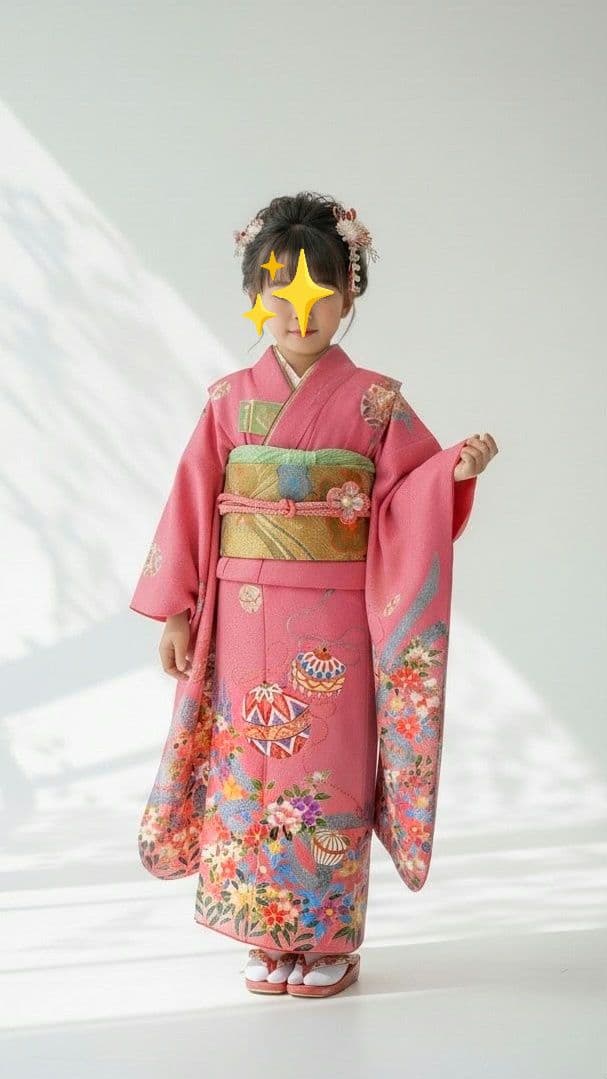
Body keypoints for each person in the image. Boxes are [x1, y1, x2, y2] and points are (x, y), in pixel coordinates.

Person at [129, 191, 498, 999]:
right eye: (280, 290)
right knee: (247, 767)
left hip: (333, 619)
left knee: (325, 769)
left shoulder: (376, 401)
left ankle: (325, 935)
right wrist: (178, 610)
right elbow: (191, 500)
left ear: (347, 295)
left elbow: (402, 501)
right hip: (240, 616)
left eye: (320, 292)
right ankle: (263, 928)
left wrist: (449, 472)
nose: (300, 311)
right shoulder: (227, 399)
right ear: (253, 296)